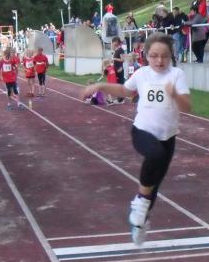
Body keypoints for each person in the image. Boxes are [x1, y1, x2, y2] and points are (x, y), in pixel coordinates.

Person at [81, 33, 191, 244]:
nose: (159, 60)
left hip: (168, 137)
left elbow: (187, 107)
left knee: (154, 184)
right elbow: (125, 90)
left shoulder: (177, 75)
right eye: (154, 55)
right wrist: (100, 86)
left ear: (171, 56)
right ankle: (139, 203)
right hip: (142, 131)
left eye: (164, 56)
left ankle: (140, 223)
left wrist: (174, 95)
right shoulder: (142, 74)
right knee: (155, 156)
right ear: (146, 56)